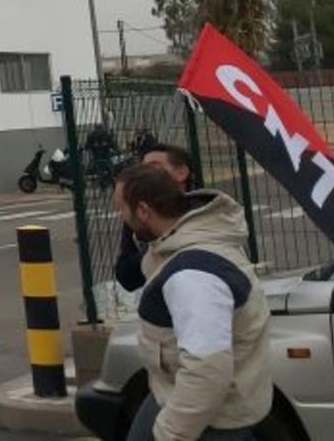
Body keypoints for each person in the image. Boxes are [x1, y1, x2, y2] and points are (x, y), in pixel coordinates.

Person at [113, 164, 272, 441]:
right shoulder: (185, 240)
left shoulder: (193, 276)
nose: (121, 217)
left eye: (121, 208)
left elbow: (206, 371)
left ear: (143, 211)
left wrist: (170, 434)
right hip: (178, 398)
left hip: (209, 423)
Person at [115, 144, 196, 292]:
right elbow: (125, 276)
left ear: (181, 173)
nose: (147, 174)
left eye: (155, 166)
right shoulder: (139, 216)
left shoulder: (204, 211)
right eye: (143, 168)